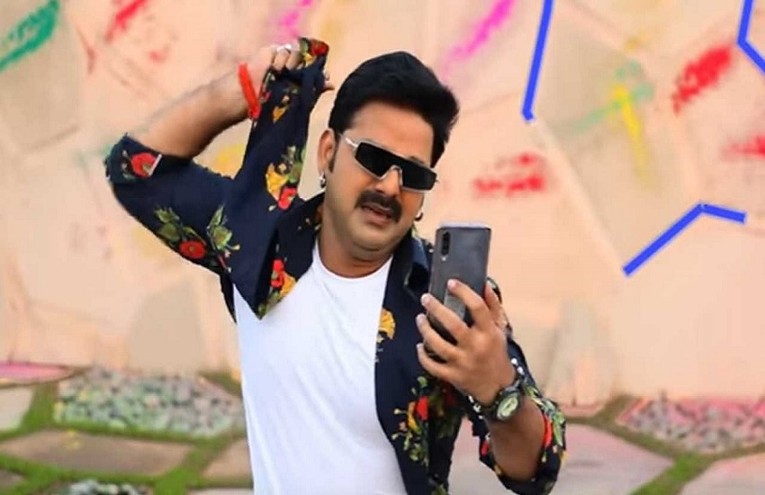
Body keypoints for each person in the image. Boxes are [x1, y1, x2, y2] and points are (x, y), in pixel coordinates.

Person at [103, 37, 566, 494]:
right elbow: (134, 171)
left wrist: (499, 391)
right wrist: (239, 90)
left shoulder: (445, 303)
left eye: (413, 174)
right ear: (327, 153)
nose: (390, 186)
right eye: (373, 158)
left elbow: (536, 470)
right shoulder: (255, 239)